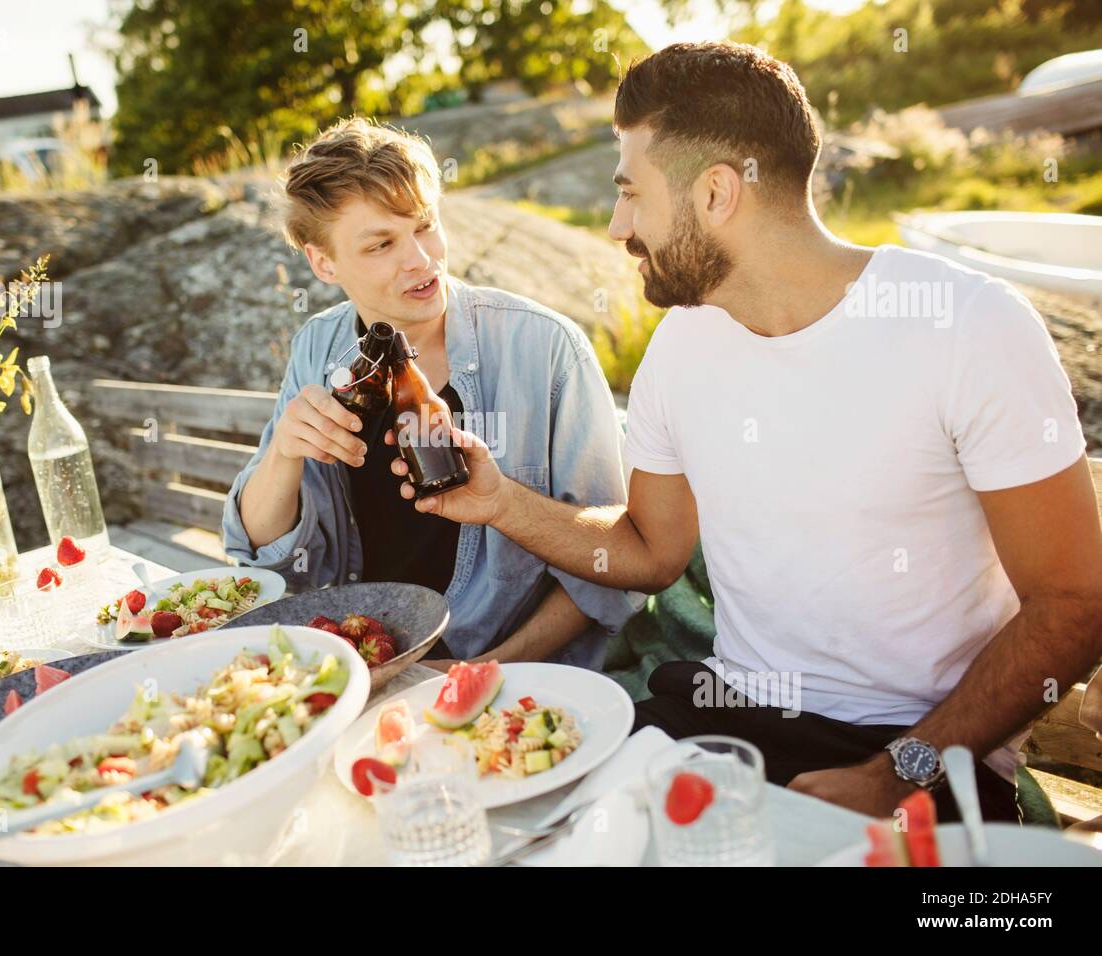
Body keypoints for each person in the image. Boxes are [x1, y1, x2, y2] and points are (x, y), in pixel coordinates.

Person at [385, 42, 1102, 822]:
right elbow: (652, 554)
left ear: (719, 193)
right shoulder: (683, 343)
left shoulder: (967, 326)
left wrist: (897, 773)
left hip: (925, 748)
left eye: (631, 193)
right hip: (727, 718)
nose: (620, 223)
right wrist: (497, 502)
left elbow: (1074, 603)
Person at [222, 118, 642, 670]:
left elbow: (607, 570)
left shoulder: (546, 349)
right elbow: (256, 549)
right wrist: (282, 454)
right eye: (381, 245)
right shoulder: (315, 346)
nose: (420, 259)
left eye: (425, 227)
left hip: (513, 673)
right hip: (359, 661)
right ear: (323, 262)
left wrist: (478, 670)